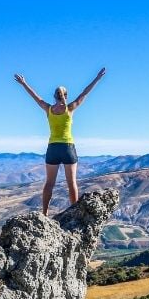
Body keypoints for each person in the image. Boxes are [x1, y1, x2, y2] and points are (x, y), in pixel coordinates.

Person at [14, 68, 106, 215]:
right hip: (68, 148)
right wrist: (97, 79)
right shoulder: (70, 108)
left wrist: (24, 83)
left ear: (54, 96)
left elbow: (35, 97)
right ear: (66, 96)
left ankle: (44, 213)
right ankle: (75, 213)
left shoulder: (48, 109)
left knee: (49, 183)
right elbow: (84, 93)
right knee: (72, 183)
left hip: (53, 148)